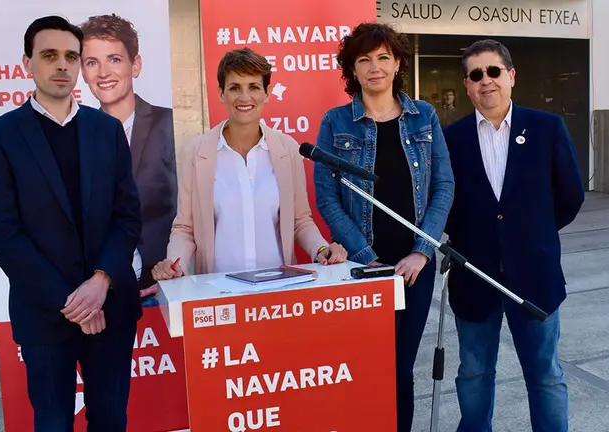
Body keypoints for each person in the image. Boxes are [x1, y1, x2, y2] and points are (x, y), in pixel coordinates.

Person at [0, 16, 142, 431]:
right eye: (49, 55)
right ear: (27, 63)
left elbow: (128, 215)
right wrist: (75, 304)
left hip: (110, 306)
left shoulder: (107, 130)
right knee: (52, 423)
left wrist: (101, 281)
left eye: (71, 56)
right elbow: (4, 233)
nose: (62, 65)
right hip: (46, 314)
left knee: (110, 420)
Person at [312, 23, 454, 432]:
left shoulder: (423, 116)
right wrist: (366, 257)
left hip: (413, 270)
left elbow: (444, 185)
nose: (375, 67)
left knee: (401, 371)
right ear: (352, 70)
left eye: (383, 58)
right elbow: (327, 198)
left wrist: (422, 251)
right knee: (366, 369)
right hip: (363, 269)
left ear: (398, 64)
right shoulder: (336, 122)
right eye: (364, 60)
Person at [442, 39, 584, 431]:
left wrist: (531, 234)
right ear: (467, 85)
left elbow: (570, 195)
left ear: (511, 76)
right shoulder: (450, 140)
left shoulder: (547, 128)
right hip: (474, 279)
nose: (486, 81)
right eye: (475, 75)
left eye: (493, 72)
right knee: (473, 374)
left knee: (545, 376)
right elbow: (444, 202)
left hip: (534, 278)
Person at [151, 48, 347, 281]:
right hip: (217, 291)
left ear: (267, 93)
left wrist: (322, 249)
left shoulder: (287, 149)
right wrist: (174, 264)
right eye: (235, 88)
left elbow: (300, 221)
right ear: (222, 94)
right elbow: (185, 229)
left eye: (253, 87)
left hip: (279, 289)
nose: (245, 97)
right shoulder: (197, 152)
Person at [79, 13, 176, 304]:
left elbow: (192, 212)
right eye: (92, 62)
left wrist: (177, 271)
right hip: (99, 291)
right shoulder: (76, 135)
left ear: (135, 65)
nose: (103, 72)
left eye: (114, 59)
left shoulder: (170, 124)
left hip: (162, 286)